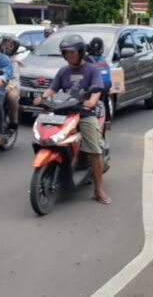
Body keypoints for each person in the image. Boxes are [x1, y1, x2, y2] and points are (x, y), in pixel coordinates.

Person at [33, 34, 110, 204]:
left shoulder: (92, 70)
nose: (69, 55)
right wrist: (42, 97)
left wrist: (92, 102)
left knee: (94, 149)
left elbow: (97, 89)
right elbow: (53, 89)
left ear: (81, 52)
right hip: (64, 112)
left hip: (84, 113)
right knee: (48, 136)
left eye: (72, 52)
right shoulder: (63, 71)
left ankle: (98, 189)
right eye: (66, 52)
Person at [86, 37, 112, 122]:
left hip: (91, 89)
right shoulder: (102, 59)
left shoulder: (86, 59)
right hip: (103, 88)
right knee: (104, 105)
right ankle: (106, 122)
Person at [0, 34, 22, 129]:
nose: (6, 47)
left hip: (11, 85)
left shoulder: (14, 61)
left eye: (9, 45)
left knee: (12, 97)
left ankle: (13, 120)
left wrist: (9, 87)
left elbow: (14, 78)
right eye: (4, 43)